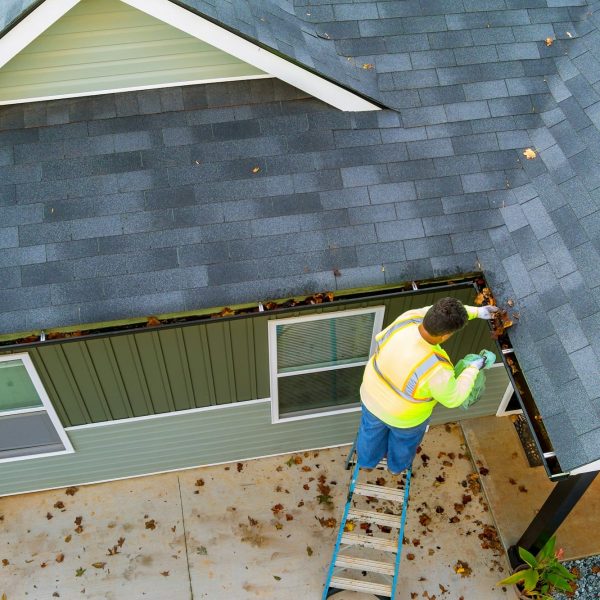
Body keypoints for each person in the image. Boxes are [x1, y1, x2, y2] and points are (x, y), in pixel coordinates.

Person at [357, 297, 498, 475]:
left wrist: (477, 312)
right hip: (405, 418)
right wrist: (473, 368)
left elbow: (436, 312)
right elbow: (454, 398)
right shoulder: (436, 368)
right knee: (403, 443)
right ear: (446, 335)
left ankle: (366, 461)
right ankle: (395, 468)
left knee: (370, 433)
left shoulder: (408, 319)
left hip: (371, 398)